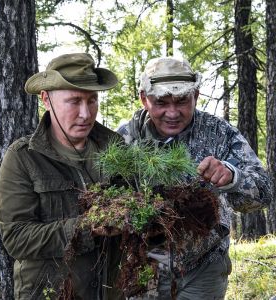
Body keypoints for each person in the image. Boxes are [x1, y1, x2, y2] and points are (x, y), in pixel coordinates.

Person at [117, 57, 272, 299]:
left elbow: (264, 193)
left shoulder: (219, 134)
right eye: (161, 102)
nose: (172, 112)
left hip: (203, 267)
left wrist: (233, 177)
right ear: (144, 99)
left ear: (196, 96)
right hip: (144, 266)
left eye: (181, 101)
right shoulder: (125, 141)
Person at [0, 53, 124, 299]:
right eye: (74, 101)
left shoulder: (115, 150)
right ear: (46, 99)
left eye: (92, 100)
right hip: (51, 293)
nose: (86, 114)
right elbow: (16, 238)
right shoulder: (24, 158)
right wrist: (85, 229)